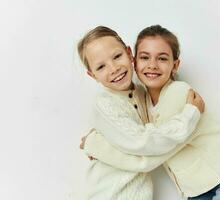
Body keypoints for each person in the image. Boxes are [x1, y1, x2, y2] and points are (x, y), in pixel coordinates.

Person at [82, 25, 220, 200]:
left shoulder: (178, 93)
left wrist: (97, 146)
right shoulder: (140, 99)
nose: (152, 65)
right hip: (198, 187)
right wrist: (103, 138)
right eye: (145, 57)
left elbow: (152, 151)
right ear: (135, 60)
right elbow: (136, 136)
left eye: (162, 58)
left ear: (174, 65)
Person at [77, 26, 204, 200]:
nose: (113, 68)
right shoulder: (104, 104)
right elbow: (144, 147)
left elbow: (151, 142)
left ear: (130, 54)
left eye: (117, 56)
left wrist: (96, 144)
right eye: (101, 67)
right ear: (92, 75)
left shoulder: (142, 93)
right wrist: (189, 118)